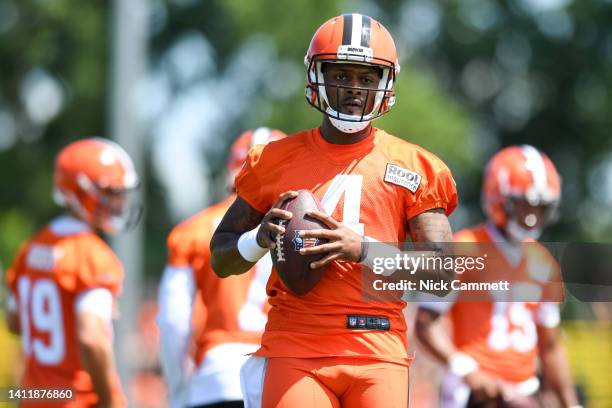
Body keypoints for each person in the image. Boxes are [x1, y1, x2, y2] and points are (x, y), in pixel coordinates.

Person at [210, 13, 458, 408]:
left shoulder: (415, 166)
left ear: (385, 83)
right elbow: (220, 258)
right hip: (296, 342)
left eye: (366, 77)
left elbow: (444, 274)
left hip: (377, 344)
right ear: (318, 76)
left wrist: (361, 248)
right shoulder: (272, 159)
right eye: (341, 75)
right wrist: (258, 240)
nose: (353, 89)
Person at [415, 145, 581, 407]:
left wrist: (571, 404)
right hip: (471, 392)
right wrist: (467, 369)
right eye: (524, 205)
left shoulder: (545, 262)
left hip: (525, 391)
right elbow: (426, 324)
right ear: (499, 199)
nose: (532, 216)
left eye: (540, 208)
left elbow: (551, 347)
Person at [4, 138, 142, 408]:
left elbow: (14, 320)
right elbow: (91, 338)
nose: (118, 203)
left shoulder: (31, 248)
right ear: (80, 192)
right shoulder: (91, 254)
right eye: (111, 193)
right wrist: (110, 400)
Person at [157, 128, 287, 408]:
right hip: (281, 375)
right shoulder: (303, 229)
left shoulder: (193, 231)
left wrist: (179, 391)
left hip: (217, 374)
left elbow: (173, 322)